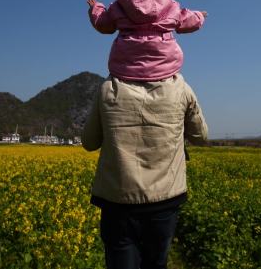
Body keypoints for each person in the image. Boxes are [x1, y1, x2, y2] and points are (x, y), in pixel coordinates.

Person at [82, 73, 208, 269]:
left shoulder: (107, 88)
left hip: (118, 202)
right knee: (156, 264)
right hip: (165, 199)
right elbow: (201, 136)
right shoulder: (181, 88)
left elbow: (89, 142)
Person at [86, 0, 207, 82]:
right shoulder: (171, 5)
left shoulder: (118, 6)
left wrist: (96, 7)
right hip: (165, 64)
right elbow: (185, 20)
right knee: (188, 98)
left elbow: (104, 24)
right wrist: (199, 15)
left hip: (126, 66)